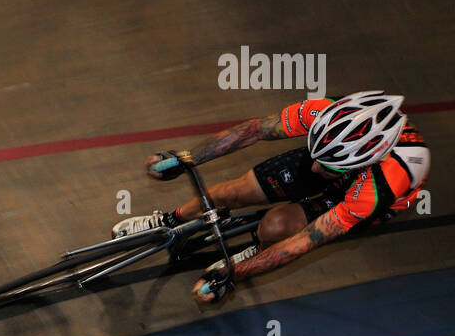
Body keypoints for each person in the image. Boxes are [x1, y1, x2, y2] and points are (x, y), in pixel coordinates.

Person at [111, 91, 430, 303]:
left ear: (365, 162)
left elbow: (304, 242)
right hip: (346, 157)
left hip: (368, 195)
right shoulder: (326, 113)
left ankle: (252, 251)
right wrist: (187, 158)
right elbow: (255, 131)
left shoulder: (384, 182)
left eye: (328, 166)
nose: (316, 169)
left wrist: (235, 275)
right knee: (231, 192)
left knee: (276, 227)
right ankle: (169, 220)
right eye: (317, 155)